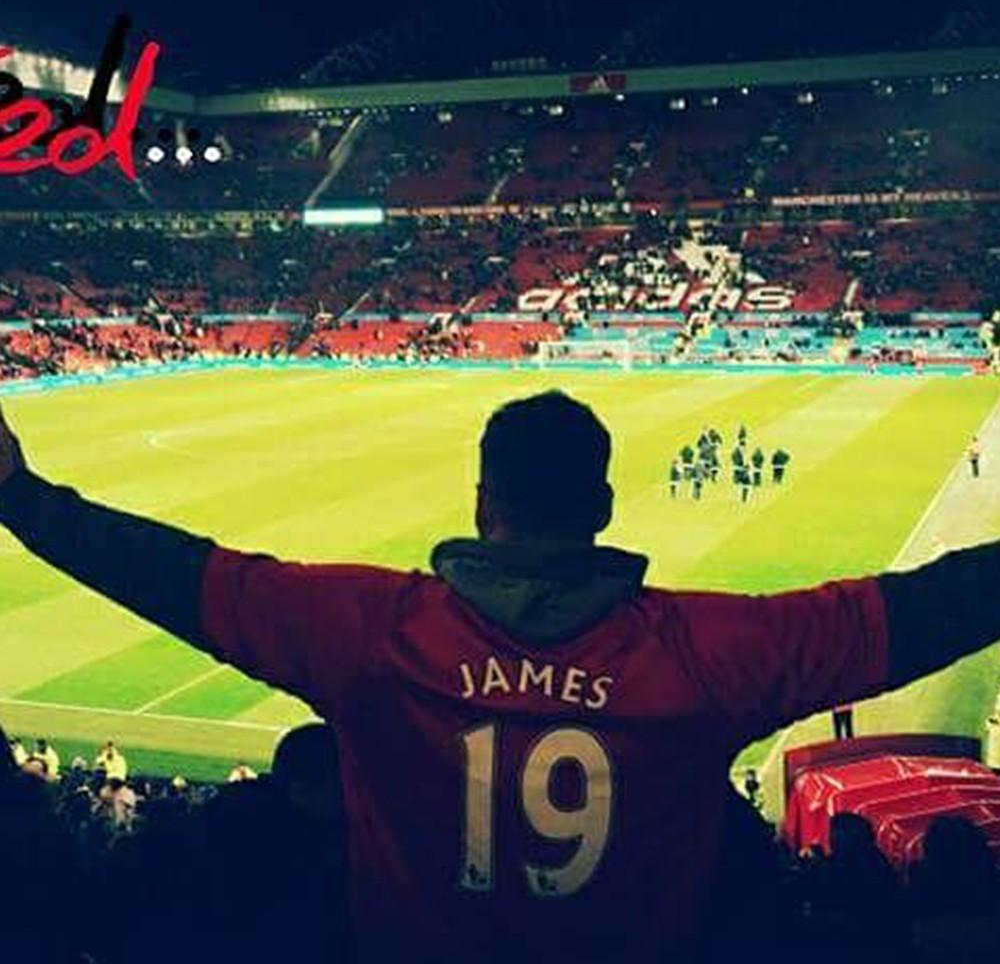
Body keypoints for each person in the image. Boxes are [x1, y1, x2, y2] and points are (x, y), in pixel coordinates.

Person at [3, 392, 1000, 962]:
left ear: (481, 501)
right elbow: (920, 612)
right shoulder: (708, 651)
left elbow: (181, 577)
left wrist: (19, 494)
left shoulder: (370, 632)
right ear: (605, 504)